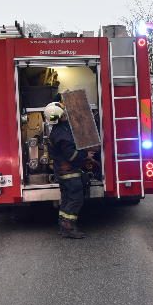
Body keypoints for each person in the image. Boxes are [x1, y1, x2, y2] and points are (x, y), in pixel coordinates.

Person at [45, 102, 95, 239]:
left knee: (67, 199)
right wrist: (86, 155)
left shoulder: (59, 129)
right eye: (63, 113)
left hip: (63, 172)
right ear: (59, 117)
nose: (66, 114)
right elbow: (71, 155)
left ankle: (63, 226)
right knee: (75, 199)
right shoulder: (62, 134)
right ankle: (68, 228)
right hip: (69, 173)